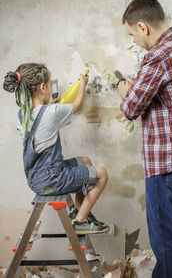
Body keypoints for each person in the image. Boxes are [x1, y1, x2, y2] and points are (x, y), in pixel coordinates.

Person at [118, 0, 172, 278]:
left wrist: (124, 90)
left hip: (167, 164)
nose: (134, 41)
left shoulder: (158, 57)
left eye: (132, 34)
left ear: (143, 27)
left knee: (166, 241)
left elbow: (130, 109)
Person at [3, 63, 109, 235]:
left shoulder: (22, 114)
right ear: (43, 87)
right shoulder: (51, 112)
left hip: (35, 179)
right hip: (54, 179)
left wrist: (52, 104)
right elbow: (77, 105)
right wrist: (82, 84)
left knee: (85, 162)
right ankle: (80, 221)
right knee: (101, 174)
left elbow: (41, 117)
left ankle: (76, 211)